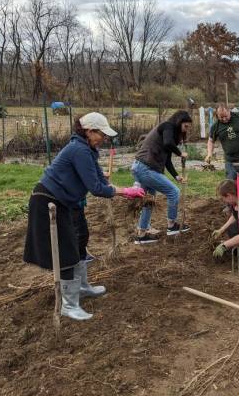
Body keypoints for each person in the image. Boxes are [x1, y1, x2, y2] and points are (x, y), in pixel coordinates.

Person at [24, 112, 145, 321]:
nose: (105, 139)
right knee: (66, 251)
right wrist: (124, 191)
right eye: (101, 135)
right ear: (89, 131)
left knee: (81, 239)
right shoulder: (78, 150)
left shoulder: (89, 150)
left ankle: (81, 286)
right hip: (49, 201)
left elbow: (99, 178)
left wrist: (119, 189)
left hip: (67, 202)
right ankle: (68, 305)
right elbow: (96, 188)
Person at [131, 110, 192, 244]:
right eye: (186, 126)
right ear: (179, 122)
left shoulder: (168, 135)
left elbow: (167, 160)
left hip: (140, 167)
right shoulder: (167, 126)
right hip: (145, 168)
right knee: (174, 192)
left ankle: (142, 234)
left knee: (149, 201)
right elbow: (168, 144)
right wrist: (180, 153)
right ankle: (172, 225)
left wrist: (176, 176)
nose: (187, 130)